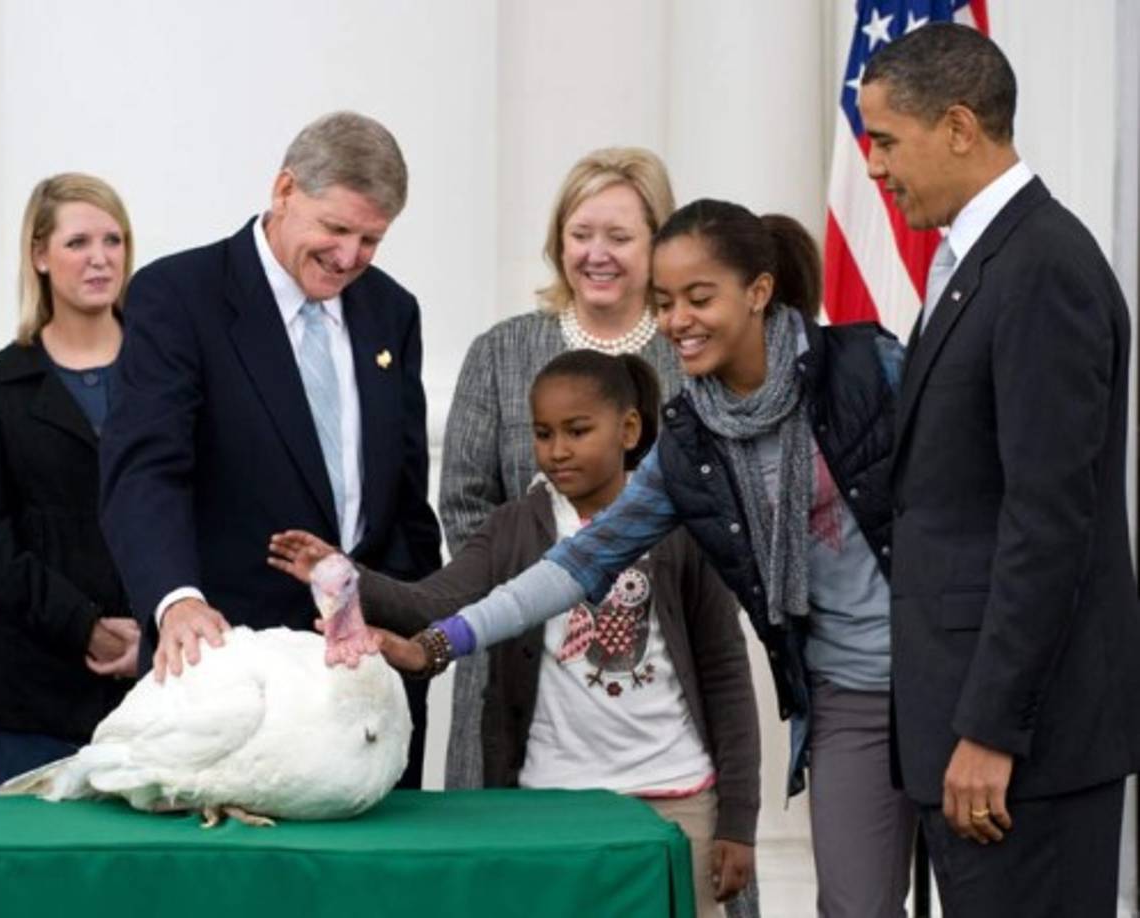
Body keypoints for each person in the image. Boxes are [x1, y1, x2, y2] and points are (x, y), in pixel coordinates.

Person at [374, 200, 917, 917]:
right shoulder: (690, 442)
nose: (676, 320)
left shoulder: (864, 364)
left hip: (945, 664)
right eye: (664, 303)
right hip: (848, 692)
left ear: (757, 292)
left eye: (698, 298)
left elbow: (964, 510)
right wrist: (441, 642)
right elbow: (572, 567)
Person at [270, 350, 760, 918]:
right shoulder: (514, 526)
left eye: (578, 431)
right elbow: (435, 601)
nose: (557, 450)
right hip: (548, 800)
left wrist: (738, 822)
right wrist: (346, 574)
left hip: (674, 798)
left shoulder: (679, 525)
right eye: (543, 433)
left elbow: (725, 672)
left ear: (628, 429)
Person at [854, 23, 1140, 916]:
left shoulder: (1040, 267)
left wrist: (989, 730)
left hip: (1019, 753)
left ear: (958, 126)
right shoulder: (988, 260)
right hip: (973, 738)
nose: (872, 167)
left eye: (886, 140)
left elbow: (1048, 523)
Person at [98, 112, 442, 789]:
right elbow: (146, 470)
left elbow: (403, 497)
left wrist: (416, 625)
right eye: (336, 229)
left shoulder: (390, 312)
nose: (350, 257)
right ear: (284, 189)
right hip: (227, 685)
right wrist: (177, 601)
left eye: (371, 239)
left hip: (363, 686)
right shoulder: (179, 297)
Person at [439, 146, 685, 792]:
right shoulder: (501, 351)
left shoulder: (688, 357)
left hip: (650, 669)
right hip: (515, 656)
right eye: (580, 235)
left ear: (657, 244)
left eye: (618, 236)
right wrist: (535, 596)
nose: (595, 253)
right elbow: (465, 503)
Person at [0, 173, 140, 787]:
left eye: (113, 241)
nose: (100, 258)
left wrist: (157, 629)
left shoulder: (167, 372)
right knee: (33, 876)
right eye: (78, 242)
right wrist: (83, 624)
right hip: (35, 685)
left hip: (161, 679)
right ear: (39, 255)